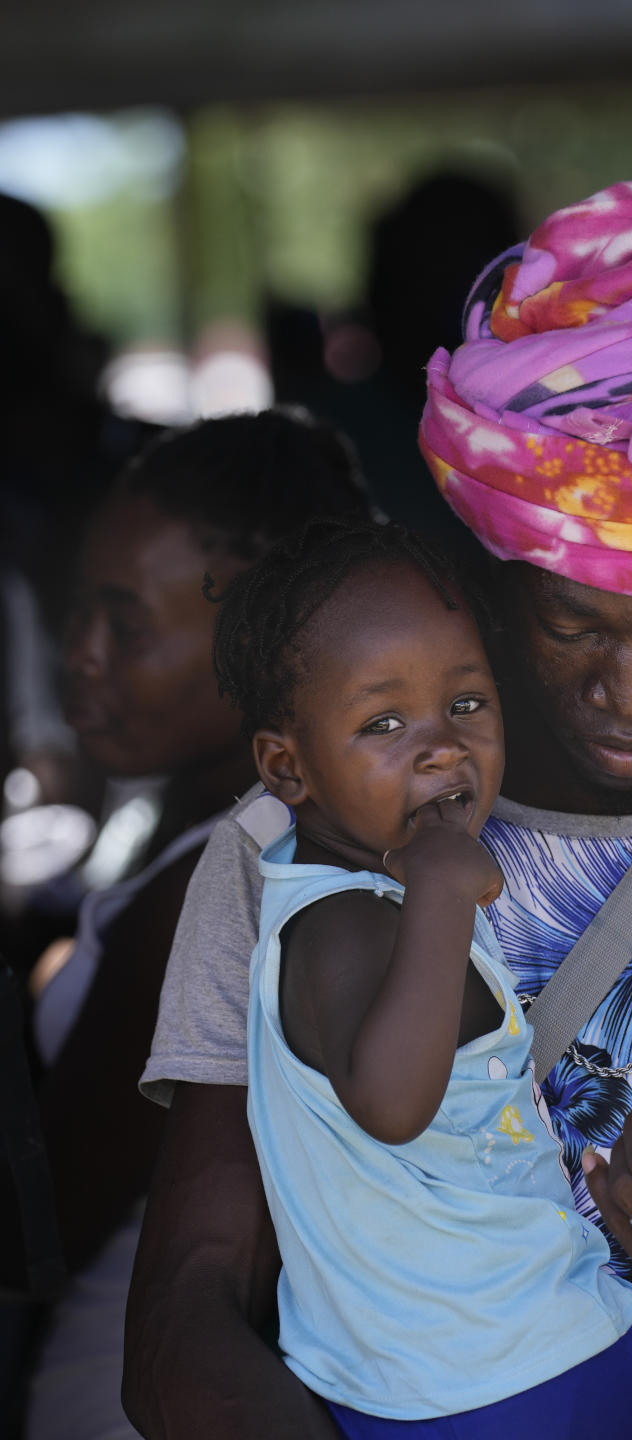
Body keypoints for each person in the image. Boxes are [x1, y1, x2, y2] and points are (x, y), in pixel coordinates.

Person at [125, 183, 632, 1440]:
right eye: (574, 624)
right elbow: (184, 1320)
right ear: (490, 573)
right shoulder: (292, 853)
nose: (631, 691)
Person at [209, 516, 632, 1439]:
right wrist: (444, 895)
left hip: (415, 1382)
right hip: (514, 1373)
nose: (441, 748)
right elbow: (387, 1098)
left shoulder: (342, 888)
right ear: (285, 768)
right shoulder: (344, 923)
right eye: (383, 723)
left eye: (466, 706)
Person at [18, 409, 369, 1440]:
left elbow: (32, 1233)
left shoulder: (216, 885)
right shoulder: (225, 823)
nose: (79, 655)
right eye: (79, 610)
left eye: (127, 625)